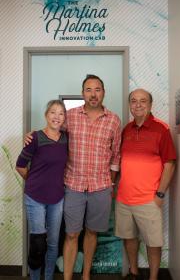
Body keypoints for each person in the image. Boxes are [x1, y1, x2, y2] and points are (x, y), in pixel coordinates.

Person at [63, 74, 121, 280]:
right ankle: (68, 277)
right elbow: (53, 137)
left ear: (103, 93)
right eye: (89, 89)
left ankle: (86, 274)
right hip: (73, 185)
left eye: (97, 89)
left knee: (92, 232)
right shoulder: (69, 116)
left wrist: (111, 181)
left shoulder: (114, 120)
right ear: (82, 93)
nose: (93, 94)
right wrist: (32, 137)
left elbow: (116, 155)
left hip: (101, 186)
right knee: (71, 234)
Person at [115, 89, 176, 280]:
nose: (138, 104)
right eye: (133, 101)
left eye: (143, 101)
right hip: (124, 199)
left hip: (148, 199)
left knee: (153, 243)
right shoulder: (126, 129)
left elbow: (170, 164)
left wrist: (159, 195)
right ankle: (133, 272)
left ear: (150, 105)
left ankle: (153, 277)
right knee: (129, 238)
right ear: (129, 105)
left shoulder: (161, 129)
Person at [16, 100, 68, 280]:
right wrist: (33, 181)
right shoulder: (35, 138)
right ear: (46, 115)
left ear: (64, 118)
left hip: (57, 198)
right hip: (35, 198)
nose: (56, 116)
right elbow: (20, 166)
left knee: (53, 243)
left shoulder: (66, 139)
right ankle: (34, 277)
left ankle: (48, 277)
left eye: (61, 113)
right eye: (53, 112)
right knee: (38, 243)